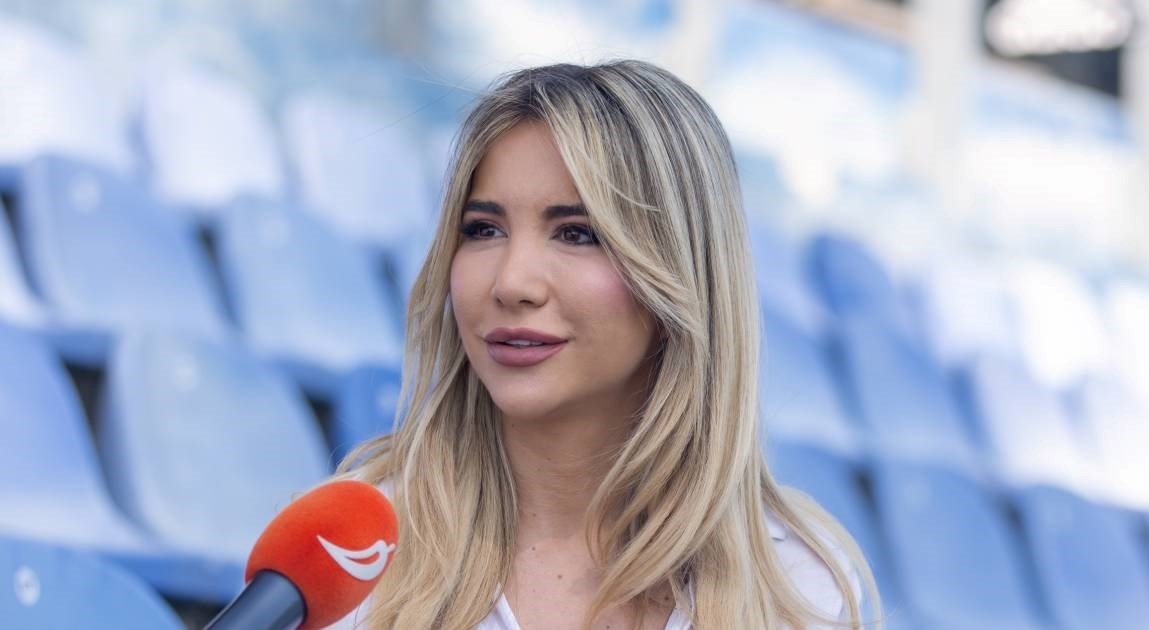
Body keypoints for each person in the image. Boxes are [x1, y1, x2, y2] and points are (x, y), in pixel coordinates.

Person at [328, 60, 880, 629]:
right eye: (483, 229)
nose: (512, 282)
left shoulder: (799, 590)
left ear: (682, 272)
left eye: (578, 234)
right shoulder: (344, 552)